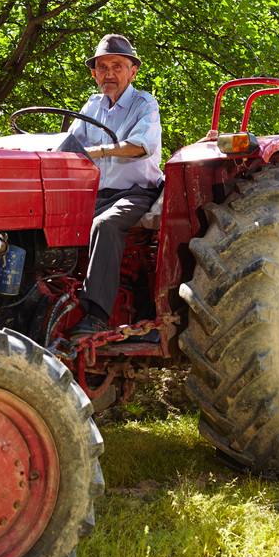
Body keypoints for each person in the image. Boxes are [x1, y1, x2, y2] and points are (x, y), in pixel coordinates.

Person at [68, 33, 164, 337]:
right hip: (96, 193)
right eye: (103, 67)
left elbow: (140, 145)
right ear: (94, 73)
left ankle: (96, 315)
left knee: (104, 225)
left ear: (132, 71)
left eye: (118, 66)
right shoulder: (91, 106)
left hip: (137, 192)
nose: (109, 73)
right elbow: (70, 145)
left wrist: (99, 151)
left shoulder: (143, 103)